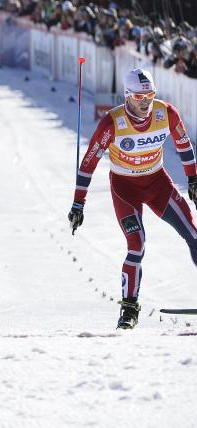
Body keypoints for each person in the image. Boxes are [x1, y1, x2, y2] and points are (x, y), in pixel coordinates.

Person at [69, 67, 197, 329]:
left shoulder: (166, 113)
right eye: (139, 97)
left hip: (158, 183)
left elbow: (184, 145)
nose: (146, 101)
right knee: (137, 245)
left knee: (194, 234)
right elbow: (88, 163)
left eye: (149, 95)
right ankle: (129, 311)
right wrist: (78, 203)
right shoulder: (112, 123)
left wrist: (193, 179)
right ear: (127, 96)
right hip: (124, 188)